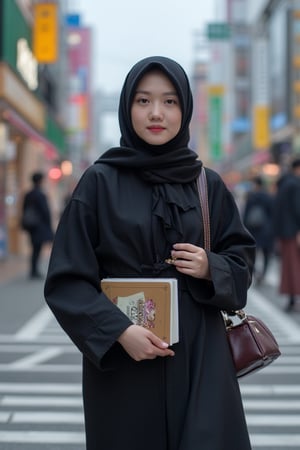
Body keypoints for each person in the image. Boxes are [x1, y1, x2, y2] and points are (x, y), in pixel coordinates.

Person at [44, 56, 255, 450]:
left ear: (185, 109)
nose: (156, 113)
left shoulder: (206, 184)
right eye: (143, 101)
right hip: (126, 360)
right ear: (127, 108)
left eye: (170, 101)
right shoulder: (99, 183)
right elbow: (67, 280)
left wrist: (212, 266)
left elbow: (242, 262)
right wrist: (118, 332)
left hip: (201, 358)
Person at [273, 158, 300, 311]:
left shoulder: (283, 184)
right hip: (294, 232)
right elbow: (298, 209)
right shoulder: (295, 184)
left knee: (288, 266)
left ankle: (291, 297)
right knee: (295, 266)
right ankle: (294, 297)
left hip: (283, 232)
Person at [21, 172, 54, 279]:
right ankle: (34, 270)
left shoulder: (28, 194)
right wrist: (49, 226)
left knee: (34, 247)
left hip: (31, 225)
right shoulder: (40, 194)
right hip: (39, 226)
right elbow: (45, 212)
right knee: (37, 248)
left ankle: (33, 269)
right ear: (40, 181)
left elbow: (24, 209)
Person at [243, 175, 274, 284]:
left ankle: (255, 272)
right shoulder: (268, 196)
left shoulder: (251, 196)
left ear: (256, 184)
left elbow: (245, 214)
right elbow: (272, 213)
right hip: (266, 229)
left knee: (251, 253)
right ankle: (263, 274)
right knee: (266, 253)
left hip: (253, 230)